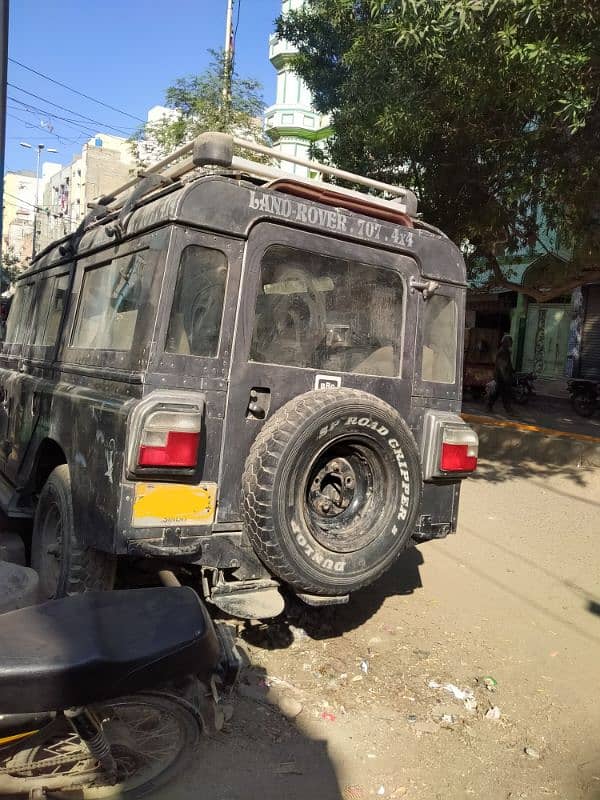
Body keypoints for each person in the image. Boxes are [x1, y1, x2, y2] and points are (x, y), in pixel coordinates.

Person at [487, 334, 514, 414]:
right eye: (510, 341)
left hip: (501, 376)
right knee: (504, 393)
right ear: (506, 342)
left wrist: (512, 370)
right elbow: (501, 366)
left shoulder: (505, 351)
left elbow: (507, 364)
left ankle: (489, 406)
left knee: (498, 392)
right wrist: (505, 377)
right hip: (501, 376)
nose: (511, 343)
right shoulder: (503, 351)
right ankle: (508, 409)